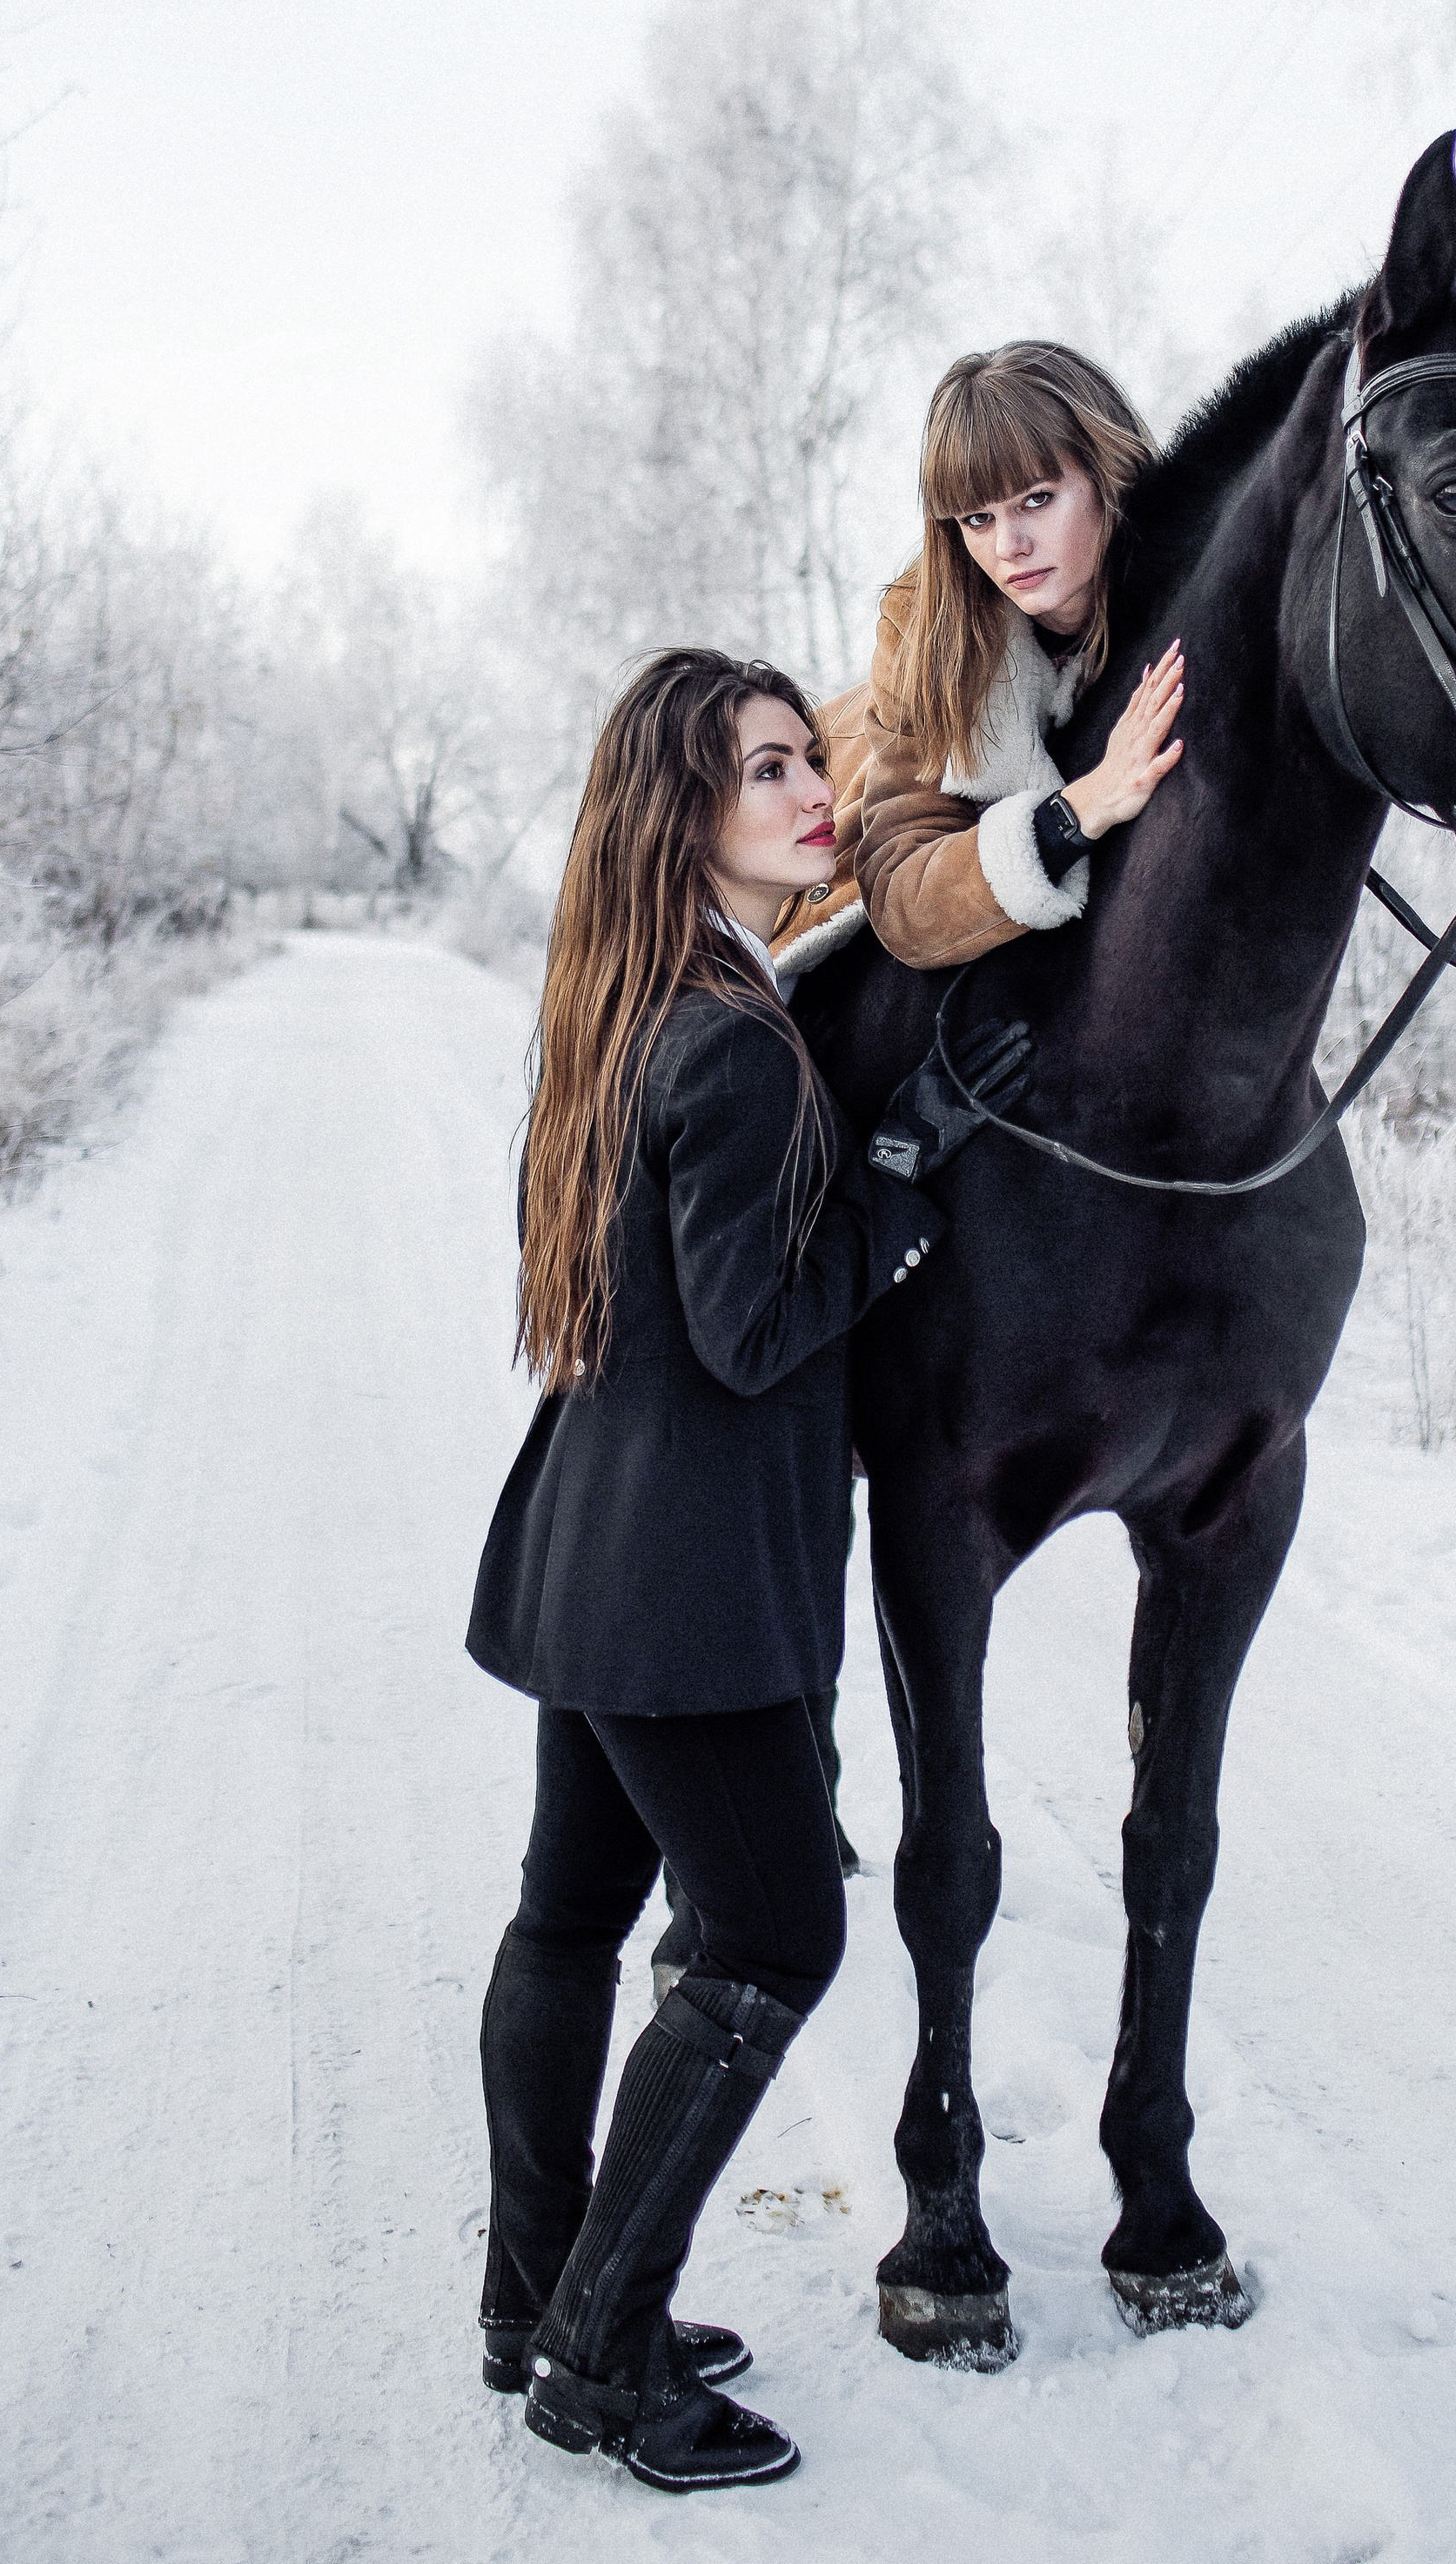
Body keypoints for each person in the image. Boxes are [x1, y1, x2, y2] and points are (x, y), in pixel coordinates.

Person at [466, 648, 1030, 2494]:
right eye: (770, 770)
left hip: (589, 1556)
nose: (816, 793)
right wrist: (894, 1172)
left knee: (566, 1919)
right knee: (776, 1934)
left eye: (812, 759)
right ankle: (600, 2358)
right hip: (685, 1593)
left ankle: (534, 2289)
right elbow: (749, 1326)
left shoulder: (636, 999)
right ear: (682, 812)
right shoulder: (728, 1040)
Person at [773, 341, 1185, 983]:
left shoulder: (1188, 593)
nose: (1009, 547)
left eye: (1038, 499)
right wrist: (1080, 809)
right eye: (977, 518)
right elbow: (907, 900)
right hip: (801, 884)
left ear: (1110, 474)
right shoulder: (929, 639)